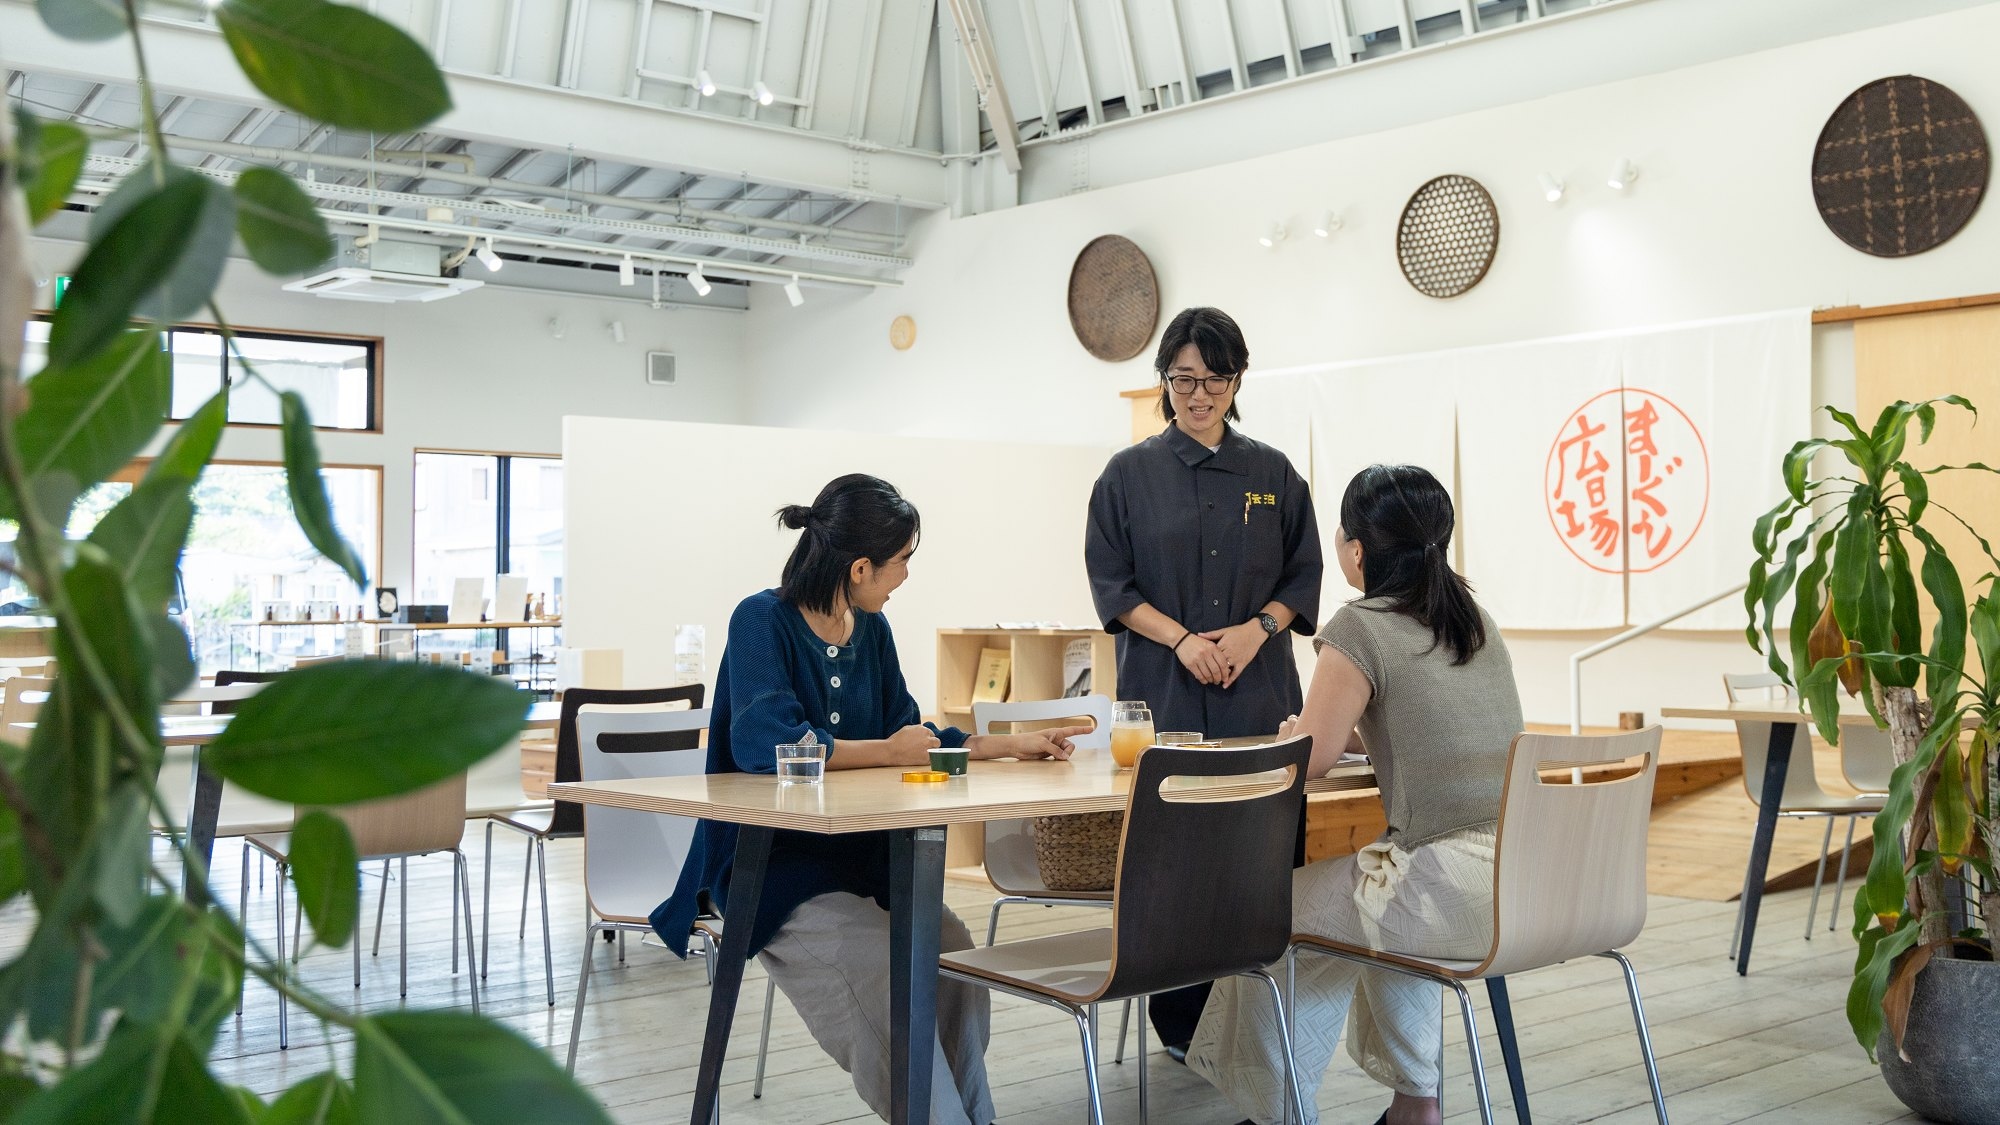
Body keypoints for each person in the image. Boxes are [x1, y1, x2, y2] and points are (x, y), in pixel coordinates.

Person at [649, 473, 1089, 1125]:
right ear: (860, 567)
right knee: (881, 972)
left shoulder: (872, 632)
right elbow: (765, 740)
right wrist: (885, 750)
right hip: (778, 871)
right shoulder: (760, 619)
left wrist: (1010, 745)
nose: (905, 576)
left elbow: (913, 732)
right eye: (902, 561)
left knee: (954, 952)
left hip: (869, 862)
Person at [1185, 464, 1523, 1125]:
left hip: (1445, 885)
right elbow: (1444, 728)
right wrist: (1353, 738)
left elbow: (1306, 759)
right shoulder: (1473, 619)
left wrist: (1304, 734)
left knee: (1265, 916)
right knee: (1377, 904)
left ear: (1358, 549)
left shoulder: (1360, 623)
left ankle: (1276, 1109)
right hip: (1521, 877)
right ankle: (1414, 1106)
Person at [1084, 306, 1323, 1053]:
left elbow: (1305, 574)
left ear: (1237, 380)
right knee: (1175, 864)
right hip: (1168, 694)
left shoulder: (1274, 472)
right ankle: (1183, 1026)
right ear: (1164, 382)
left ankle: (1258, 1023)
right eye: (1184, 379)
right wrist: (1183, 639)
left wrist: (1260, 629)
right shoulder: (1127, 476)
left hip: (1261, 696)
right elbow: (1112, 587)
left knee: (1263, 860)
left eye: (1215, 378)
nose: (1199, 394)